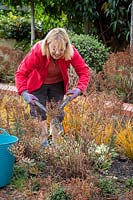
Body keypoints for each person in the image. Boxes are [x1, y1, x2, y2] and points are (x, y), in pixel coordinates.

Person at [15, 27, 90, 147]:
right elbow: (21, 73)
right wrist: (24, 92)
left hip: (57, 84)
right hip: (37, 84)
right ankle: (43, 144)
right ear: (47, 44)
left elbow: (84, 71)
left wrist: (79, 88)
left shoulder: (71, 52)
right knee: (39, 114)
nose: (57, 52)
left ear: (66, 46)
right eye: (54, 48)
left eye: (61, 49)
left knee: (57, 113)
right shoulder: (38, 50)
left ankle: (55, 144)